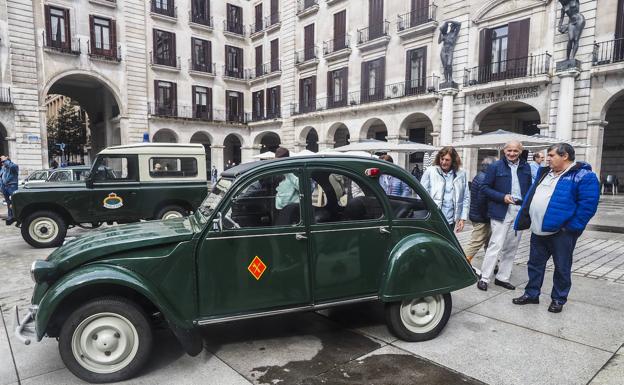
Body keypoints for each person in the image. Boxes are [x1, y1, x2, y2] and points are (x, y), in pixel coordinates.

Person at [512, 143, 599, 313]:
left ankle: (558, 299)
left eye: (551, 155)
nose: (547, 158)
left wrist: (570, 228)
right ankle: (532, 294)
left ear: (564, 155)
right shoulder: (544, 172)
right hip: (538, 230)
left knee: (562, 267)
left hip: (562, 233)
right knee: (534, 264)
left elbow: (587, 207)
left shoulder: (584, 176)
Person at [477, 141, 532, 291]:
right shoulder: (495, 166)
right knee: (495, 245)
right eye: (509, 150)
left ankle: (502, 277)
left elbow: (529, 188)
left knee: (511, 247)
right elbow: (485, 188)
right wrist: (502, 197)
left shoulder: (525, 167)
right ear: (504, 151)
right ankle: (485, 278)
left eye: (515, 151)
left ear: (520, 151)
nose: (512, 153)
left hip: (519, 210)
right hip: (501, 210)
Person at [420, 147, 470, 233]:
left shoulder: (461, 174)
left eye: (447, 160)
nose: (443, 162)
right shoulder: (430, 171)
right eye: (442, 159)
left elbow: (466, 197)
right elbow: (421, 194)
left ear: (453, 161)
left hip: (451, 220)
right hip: (433, 218)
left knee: (446, 244)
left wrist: (462, 218)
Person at [463, 156, 497, 265]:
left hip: (479, 215)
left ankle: (494, 264)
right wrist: (486, 217)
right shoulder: (485, 178)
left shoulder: (481, 176)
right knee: (476, 242)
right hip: (482, 217)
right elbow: (482, 201)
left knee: (489, 242)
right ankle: (462, 264)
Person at [1, 155, 19, 225]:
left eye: (3, 161)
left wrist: (5, 160)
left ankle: (15, 216)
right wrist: (1, 187)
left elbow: (12, 166)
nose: (3, 163)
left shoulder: (14, 166)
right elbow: (2, 177)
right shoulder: (3, 168)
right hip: (5, 187)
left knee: (13, 202)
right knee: (8, 202)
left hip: (12, 186)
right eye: (2, 162)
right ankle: (10, 216)